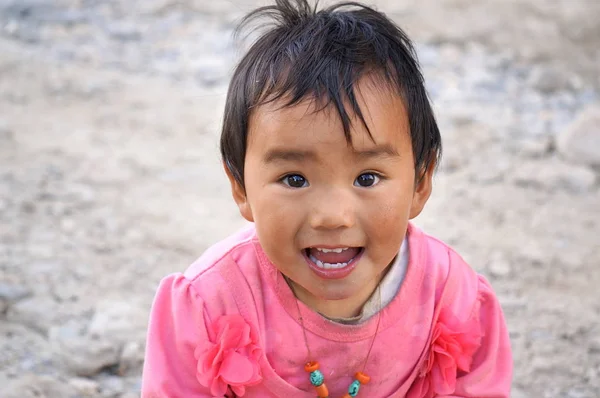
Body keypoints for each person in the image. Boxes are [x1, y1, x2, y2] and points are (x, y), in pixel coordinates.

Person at [141, 0, 513, 396]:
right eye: (295, 179)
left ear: (420, 182)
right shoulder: (210, 305)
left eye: (367, 178)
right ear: (240, 187)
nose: (332, 217)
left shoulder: (450, 299)